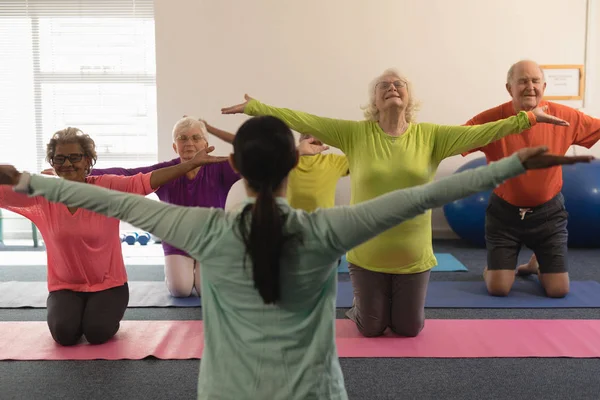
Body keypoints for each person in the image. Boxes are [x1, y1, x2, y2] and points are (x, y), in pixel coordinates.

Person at [0, 116, 590, 399]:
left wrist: (28, 180)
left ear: (237, 168)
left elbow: (92, 194)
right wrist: (516, 164)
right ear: (294, 168)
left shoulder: (201, 230)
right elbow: (425, 195)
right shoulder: (328, 229)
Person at [220, 68, 570, 338]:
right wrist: (255, 108)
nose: (392, 87)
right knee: (371, 328)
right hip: (367, 253)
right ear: (373, 101)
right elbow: (302, 120)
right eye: (384, 85)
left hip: (413, 256)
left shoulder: (431, 136)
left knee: (408, 329)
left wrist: (527, 117)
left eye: (399, 84)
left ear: (409, 97)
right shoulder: (354, 134)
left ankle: (384, 301)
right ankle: (361, 306)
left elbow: (481, 133)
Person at [0, 127, 227, 346]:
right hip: (65, 287)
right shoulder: (42, 194)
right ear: (52, 163)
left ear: (88, 160)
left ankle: (98, 314)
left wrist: (190, 164)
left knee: (97, 333)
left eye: (74, 157)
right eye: (59, 159)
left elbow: (144, 181)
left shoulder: (107, 187)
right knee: (64, 335)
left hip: (109, 285)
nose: (67, 164)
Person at [87, 117, 327, 298]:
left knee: (206, 291)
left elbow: (259, 158)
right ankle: (183, 269)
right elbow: (126, 175)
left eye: (195, 138)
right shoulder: (166, 172)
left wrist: (298, 151)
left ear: (205, 143)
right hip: (177, 242)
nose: (189, 143)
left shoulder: (220, 167)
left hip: (211, 240)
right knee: (180, 290)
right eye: (182, 138)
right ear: (174, 146)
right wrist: (83, 174)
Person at [463, 59, 600, 298]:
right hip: (504, 216)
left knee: (559, 290)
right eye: (522, 81)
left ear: (544, 86)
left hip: (548, 215)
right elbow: (455, 141)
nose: (530, 86)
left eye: (535, 81)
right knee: (498, 288)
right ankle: (494, 269)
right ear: (509, 88)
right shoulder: (491, 118)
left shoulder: (564, 116)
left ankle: (536, 263)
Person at [203, 120, 349, 212]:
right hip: (285, 224)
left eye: (317, 134)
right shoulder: (286, 156)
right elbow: (246, 142)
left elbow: (365, 160)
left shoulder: (333, 161)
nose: (312, 138)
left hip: (320, 228)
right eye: (307, 134)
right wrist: (209, 128)